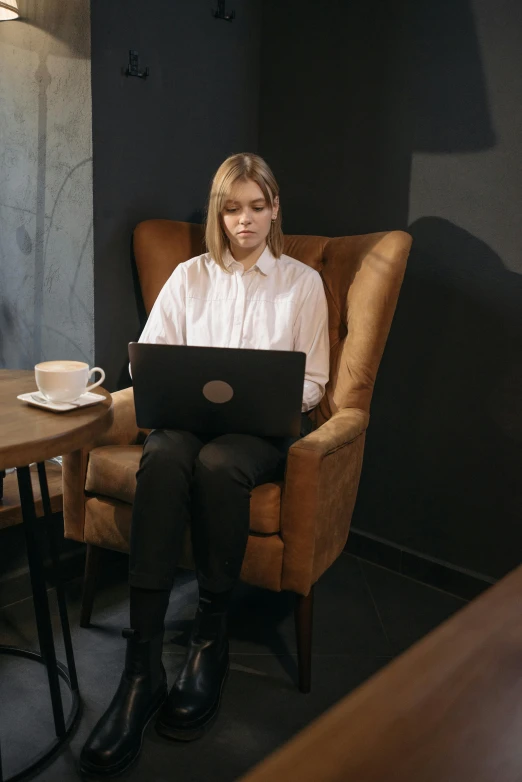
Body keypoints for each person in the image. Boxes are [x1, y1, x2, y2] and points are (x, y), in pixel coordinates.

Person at [80, 153, 330, 777]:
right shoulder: (189, 276)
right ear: (219, 212)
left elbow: (317, 382)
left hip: (255, 435)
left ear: (274, 208)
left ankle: (208, 643)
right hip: (186, 422)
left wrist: (267, 395)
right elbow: (148, 361)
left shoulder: (302, 283)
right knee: (162, 455)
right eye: (231, 207)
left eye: (256, 206)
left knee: (220, 465)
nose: (244, 220)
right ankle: (141, 670)